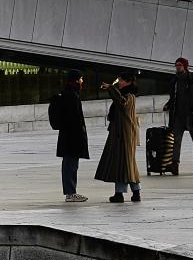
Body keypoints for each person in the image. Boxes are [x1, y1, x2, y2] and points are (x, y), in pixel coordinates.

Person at [93, 72, 141, 204]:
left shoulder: (129, 96)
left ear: (129, 82)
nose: (119, 82)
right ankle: (129, 192)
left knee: (125, 164)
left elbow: (121, 103)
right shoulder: (126, 94)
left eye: (121, 80)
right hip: (121, 133)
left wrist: (111, 88)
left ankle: (124, 193)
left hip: (125, 134)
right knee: (125, 164)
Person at [48, 70, 90, 202]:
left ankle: (71, 192)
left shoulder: (70, 93)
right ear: (76, 80)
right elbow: (74, 118)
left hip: (69, 136)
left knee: (71, 164)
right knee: (70, 165)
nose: (82, 81)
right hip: (72, 136)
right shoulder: (71, 95)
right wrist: (80, 134)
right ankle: (70, 193)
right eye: (81, 79)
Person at [164, 58, 193, 173]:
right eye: (176, 65)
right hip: (178, 116)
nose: (177, 67)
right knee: (176, 140)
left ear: (185, 66)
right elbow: (173, 98)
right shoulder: (174, 80)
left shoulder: (192, 79)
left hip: (191, 115)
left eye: (180, 65)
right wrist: (168, 105)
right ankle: (174, 165)